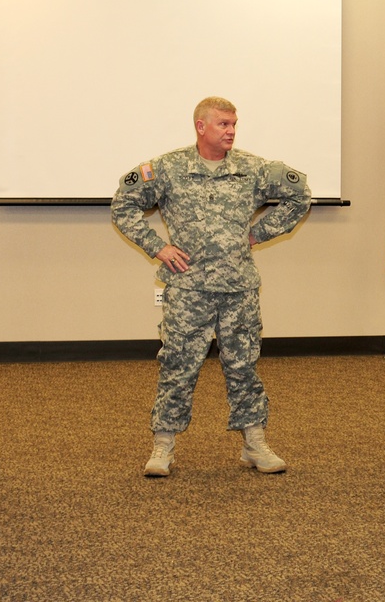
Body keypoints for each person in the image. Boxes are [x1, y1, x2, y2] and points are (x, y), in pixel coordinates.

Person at [111, 96, 311, 477]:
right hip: (188, 289)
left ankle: (255, 444)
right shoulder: (169, 168)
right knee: (178, 366)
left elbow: (300, 194)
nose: (231, 130)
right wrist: (158, 247)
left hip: (238, 288)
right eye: (223, 124)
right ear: (201, 127)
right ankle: (163, 447)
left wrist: (258, 233)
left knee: (243, 366)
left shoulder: (252, 169)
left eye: (234, 123)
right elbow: (123, 203)